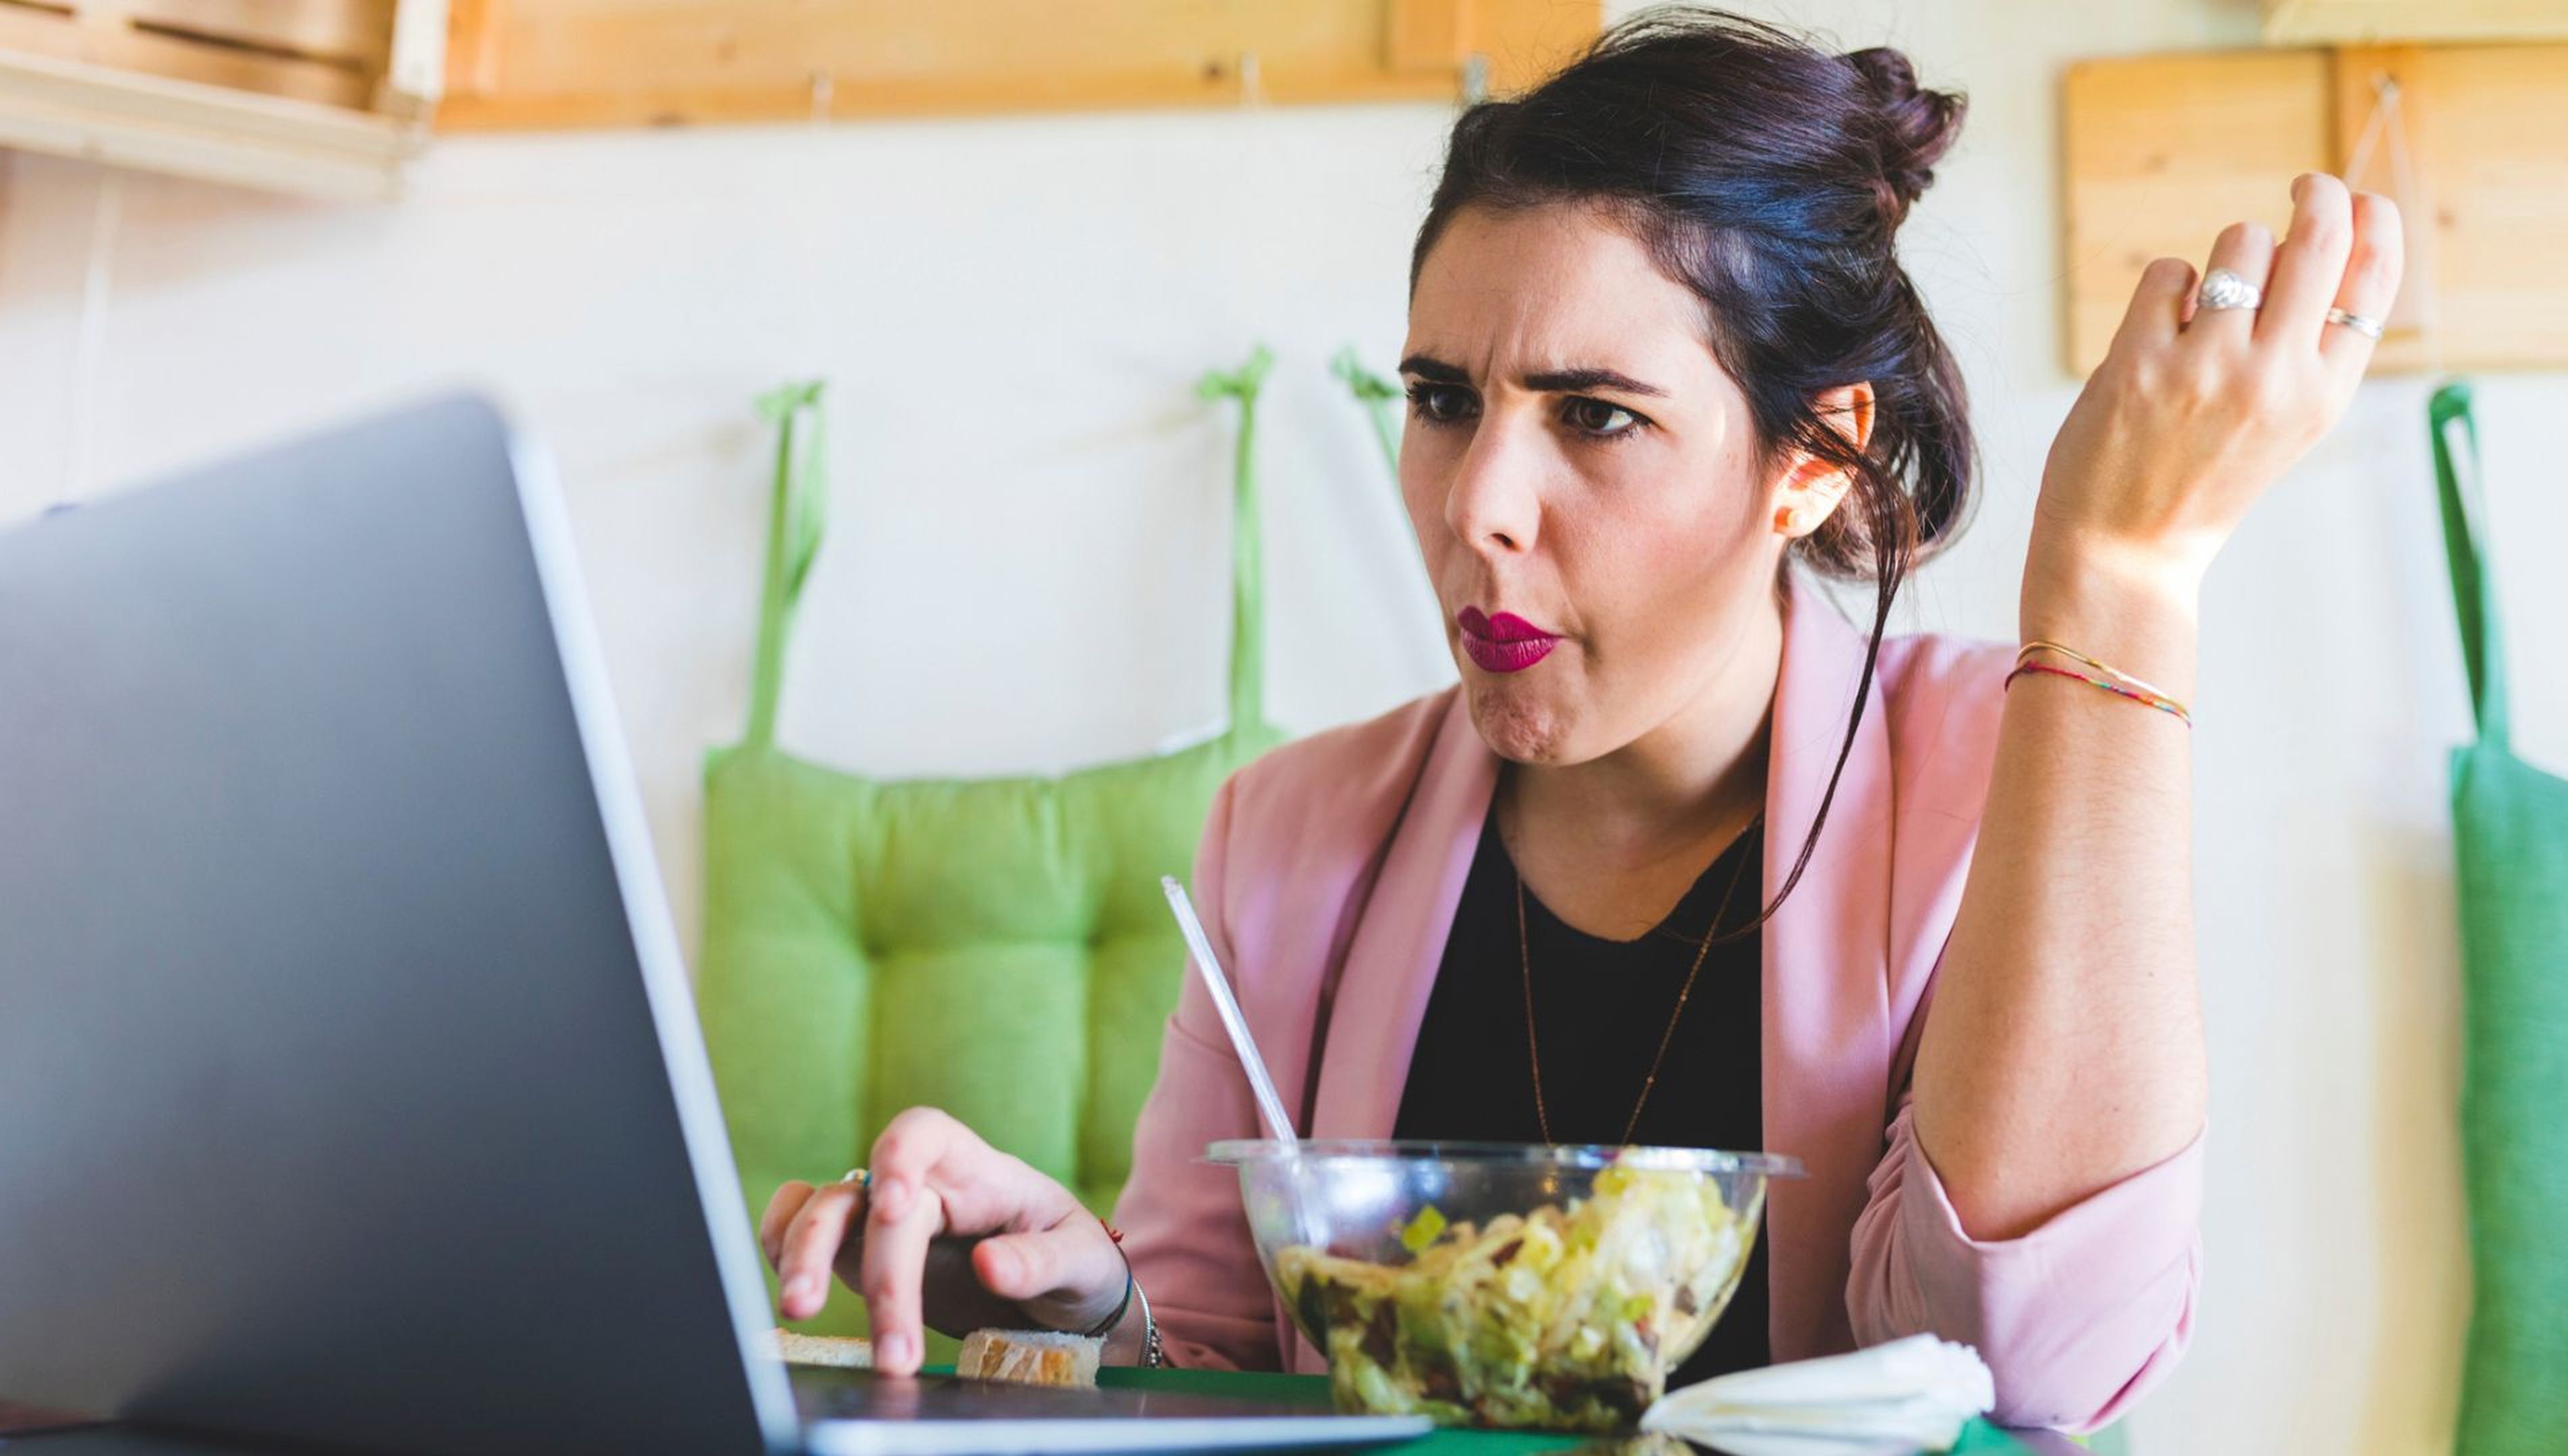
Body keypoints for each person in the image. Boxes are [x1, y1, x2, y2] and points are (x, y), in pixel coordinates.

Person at [755, 8, 2401, 1431]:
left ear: (1812, 458)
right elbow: (1217, 1369)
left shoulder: (2009, 772)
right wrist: (1076, 1308)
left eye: (1596, 417)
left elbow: (2025, 1367)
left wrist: (2116, 584)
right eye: (1442, 400)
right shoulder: (1290, 836)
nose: (1479, 506)